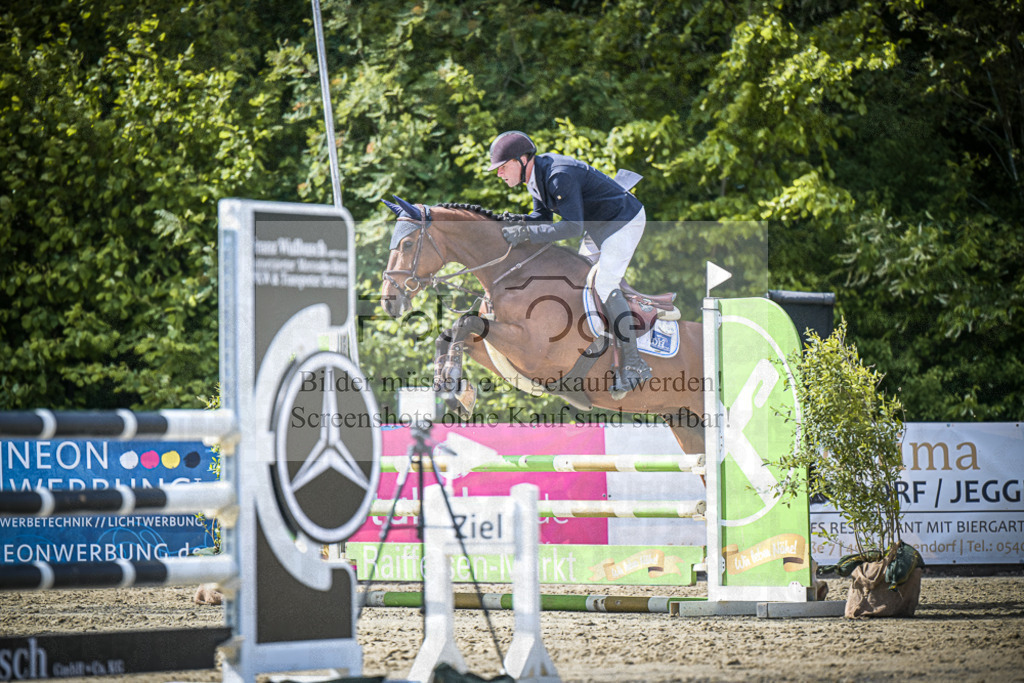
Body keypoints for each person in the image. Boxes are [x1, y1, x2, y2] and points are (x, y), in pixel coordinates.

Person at [488, 130, 652, 395]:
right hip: (598, 226)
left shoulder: (557, 176)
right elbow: (542, 219)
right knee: (579, 284)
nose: (499, 174)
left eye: (503, 167)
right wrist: (515, 221)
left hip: (623, 222)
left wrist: (526, 233)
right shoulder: (535, 176)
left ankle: (634, 364)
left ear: (522, 160)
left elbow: (573, 227)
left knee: (604, 283)